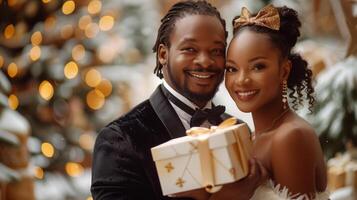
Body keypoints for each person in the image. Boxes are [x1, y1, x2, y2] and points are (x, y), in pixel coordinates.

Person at [91, 1, 267, 200]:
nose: (205, 61)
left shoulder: (238, 129)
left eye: (216, 51)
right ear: (163, 54)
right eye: (190, 49)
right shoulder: (120, 140)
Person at [225, 4, 329, 199]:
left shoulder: (290, 136)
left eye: (257, 67)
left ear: (284, 71)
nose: (241, 80)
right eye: (231, 69)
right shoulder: (256, 136)